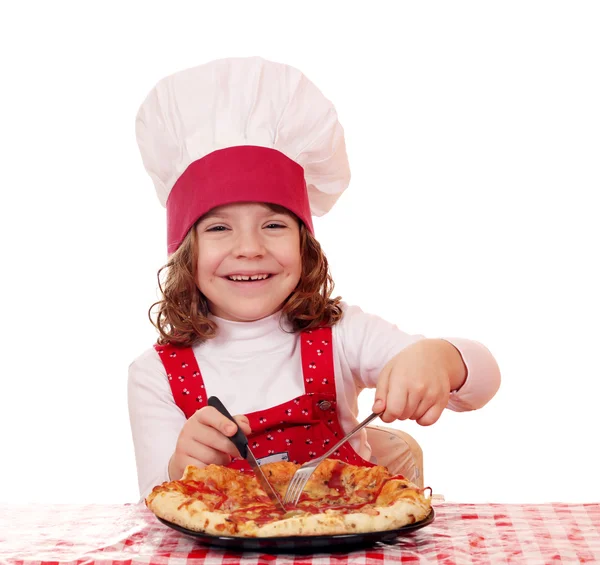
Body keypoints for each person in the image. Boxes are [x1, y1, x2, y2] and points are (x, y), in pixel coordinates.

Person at [128, 56, 501, 500]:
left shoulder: (342, 334)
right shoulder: (155, 374)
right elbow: (157, 507)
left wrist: (441, 359)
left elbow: (481, 382)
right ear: (185, 252)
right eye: (218, 227)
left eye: (273, 225)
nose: (249, 248)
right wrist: (180, 466)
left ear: (305, 245)